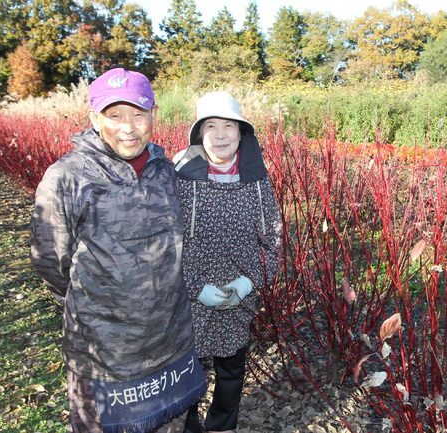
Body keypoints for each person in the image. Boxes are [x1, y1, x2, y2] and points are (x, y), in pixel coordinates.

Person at [30, 68, 207, 433]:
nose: (128, 127)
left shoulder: (165, 171)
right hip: (105, 354)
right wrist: (102, 302)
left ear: (154, 115)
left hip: (170, 343)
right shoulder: (67, 177)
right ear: (95, 118)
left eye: (138, 114)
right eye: (114, 115)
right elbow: (51, 262)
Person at [173, 92, 281, 433]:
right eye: (211, 126)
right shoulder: (180, 179)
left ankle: (222, 426)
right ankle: (188, 427)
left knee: (232, 370)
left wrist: (249, 282)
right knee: (185, 373)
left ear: (241, 132)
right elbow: (164, 245)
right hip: (190, 297)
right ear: (199, 134)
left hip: (238, 297)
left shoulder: (258, 180)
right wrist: (195, 287)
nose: (220, 135)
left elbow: (275, 240)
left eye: (228, 126)